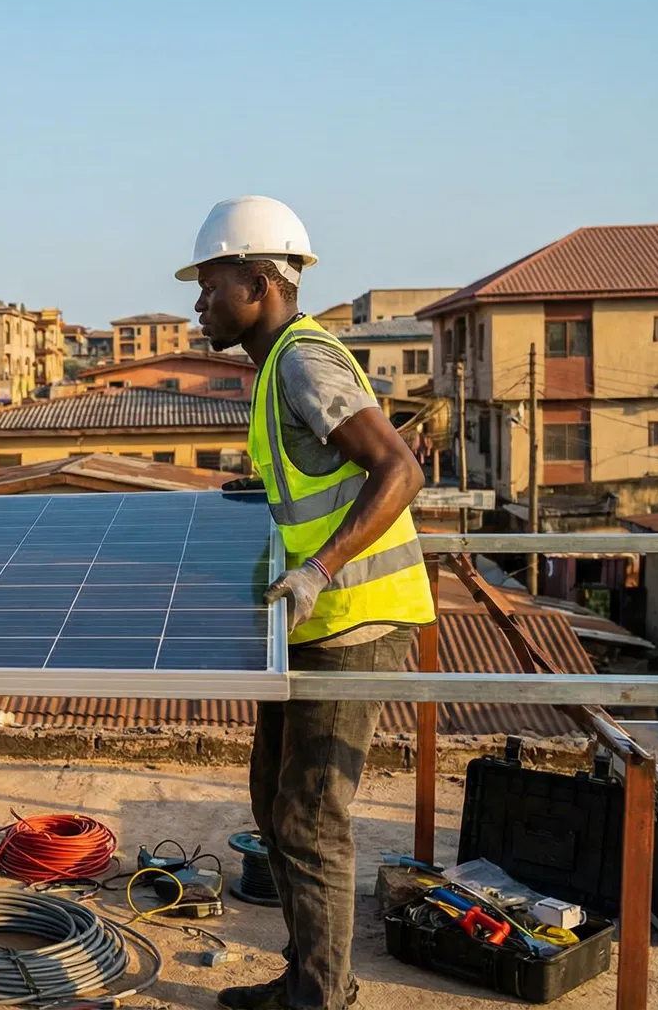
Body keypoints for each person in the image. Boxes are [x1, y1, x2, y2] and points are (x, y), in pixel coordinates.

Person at [184, 196, 436, 1010]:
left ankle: (321, 997)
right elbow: (316, 475)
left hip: (353, 617)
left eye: (210, 284)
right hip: (311, 619)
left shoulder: (301, 360)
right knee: (273, 799)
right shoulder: (275, 368)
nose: (199, 303)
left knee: (312, 818)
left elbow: (398, 468)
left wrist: (320, 567)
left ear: (260, 281)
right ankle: (306, 974)